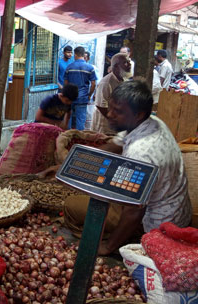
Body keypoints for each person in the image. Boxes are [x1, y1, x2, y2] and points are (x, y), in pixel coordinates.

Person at [64, 80, 192, 256]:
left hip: (158, 225)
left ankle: (120, 241)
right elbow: (115, 145)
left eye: (118, 111)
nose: (109, 114)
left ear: (138, 114)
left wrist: (108, 247)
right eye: (110, 107)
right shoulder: (151, 122)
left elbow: (133, 212)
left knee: (72, 206)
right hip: (178, 210)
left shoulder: (141, 152)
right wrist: (72, 163)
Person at [89, 53, 132, 135]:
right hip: (105, 125)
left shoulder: (125, 80)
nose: (129, 65)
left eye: (129, 62)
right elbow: (100, 106)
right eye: (125, 62)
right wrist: (114, 120)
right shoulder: (106, 82)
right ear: (116, 67)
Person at [64, 46, 97, 129]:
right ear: (83, 54)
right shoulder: (90, 68)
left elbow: (66, 83)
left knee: (68, 119)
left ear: (75, 55)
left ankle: (67, 137)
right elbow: (93, 84)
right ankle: (78, 139)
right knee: (80, 121)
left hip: (70, 97)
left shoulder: (69, 67)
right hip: (82, 97)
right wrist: (89, 95)